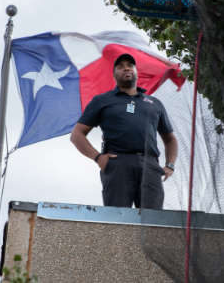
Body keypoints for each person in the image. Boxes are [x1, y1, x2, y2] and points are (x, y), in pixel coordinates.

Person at [70, 53, 178, 210]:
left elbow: (170, 139)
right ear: (114, 75)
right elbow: (76, 134)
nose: (126, 68)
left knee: (154, 222)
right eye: (120, 66)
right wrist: (98, 157)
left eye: (130, 65)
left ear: (136, 72)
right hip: (118, 163)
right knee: (117, 219)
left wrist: (170, 165)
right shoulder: (101, 100)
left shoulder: (154, 103)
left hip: (150, 165)